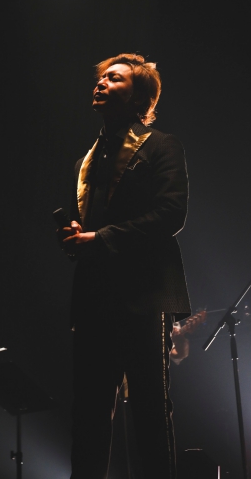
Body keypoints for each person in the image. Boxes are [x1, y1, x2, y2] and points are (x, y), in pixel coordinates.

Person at [58, 53, 191, 479]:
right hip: (94, 297)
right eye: (102, 78)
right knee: (88, 415)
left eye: (114, 79)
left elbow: (171, 214)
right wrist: (76, 235)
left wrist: (99, 239)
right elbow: (90, 225)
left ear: (139, 99)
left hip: (143, 295)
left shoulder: (161, 145)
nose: (101, 83)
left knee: (149, 410)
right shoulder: (87, 159)